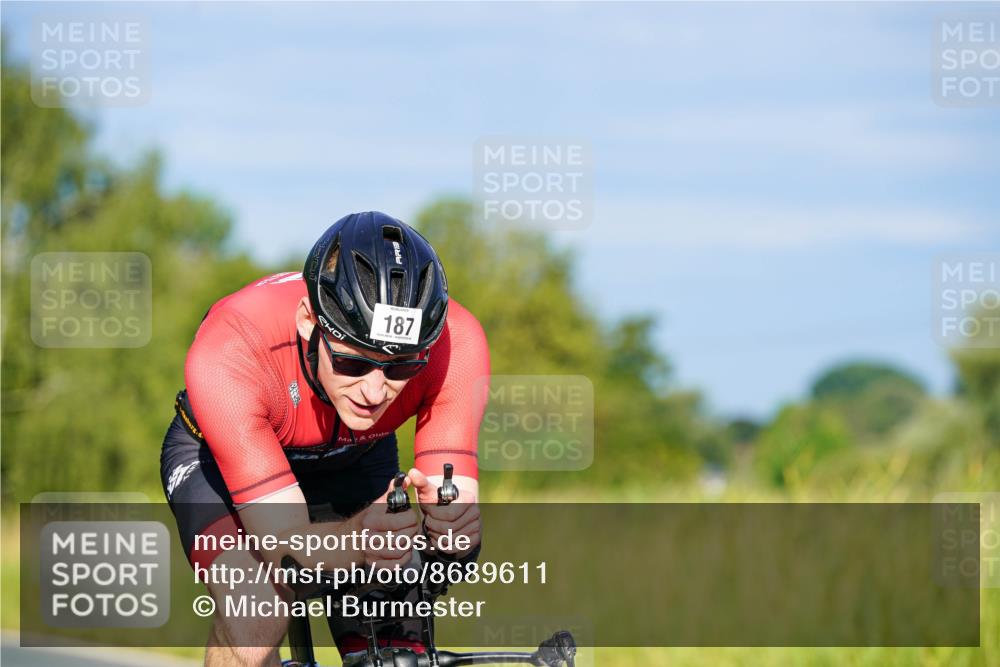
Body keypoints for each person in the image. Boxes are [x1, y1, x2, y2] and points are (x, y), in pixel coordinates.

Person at [160, 211, 489, 667]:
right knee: (255, 613)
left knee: (396, 642)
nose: (375, 392)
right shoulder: (231, 349)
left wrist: (451, 534)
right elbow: (284, 547)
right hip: (221, 460)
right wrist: (357, 541)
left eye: (401, 368)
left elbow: (454, 527)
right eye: (354, 363)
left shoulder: (457, 343)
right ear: (308, 321)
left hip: (357, 456)